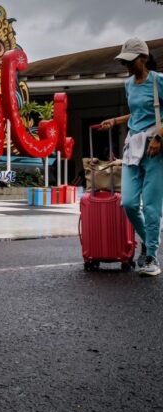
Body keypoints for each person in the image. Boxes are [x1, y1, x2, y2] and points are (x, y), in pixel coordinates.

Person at [99, 37, 163, 277]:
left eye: (131, 61)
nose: (127, 66)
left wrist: (158, 138)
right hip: (133, 147)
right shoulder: (128, 84)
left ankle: (152, 258)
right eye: (124, 62)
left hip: (155, 149)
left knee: (153, 206)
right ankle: (148, 242)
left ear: (144, 58)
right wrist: (116, 120)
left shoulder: (158, 82)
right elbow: (138, 112)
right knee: (128, 203)